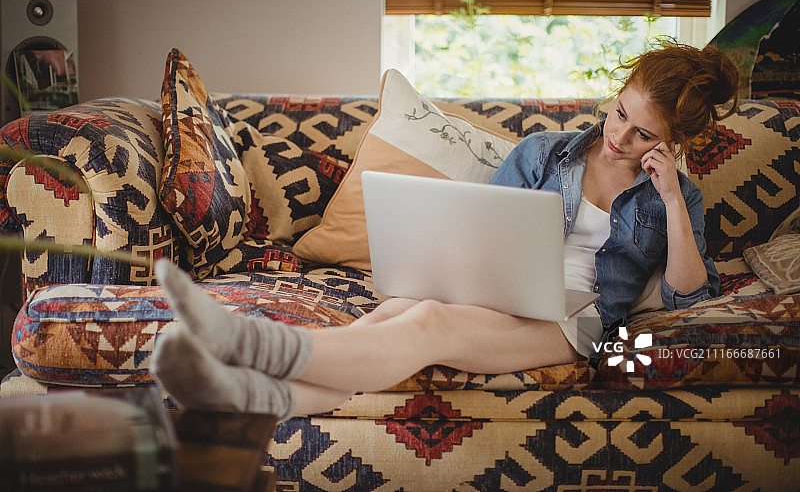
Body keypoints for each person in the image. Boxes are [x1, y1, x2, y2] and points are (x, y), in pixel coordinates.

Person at [150, 39, 740, 420]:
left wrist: (672, 201)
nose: (620, 137)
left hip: (579, 323)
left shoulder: (675, 198)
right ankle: (252, 398)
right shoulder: (544, 154)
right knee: (393, 311)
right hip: (504, 291)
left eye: (644, 134)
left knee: (426, 322)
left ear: (672, 141)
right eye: (620, 115)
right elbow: (481, 234)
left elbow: (691, 294)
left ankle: (250, 348)